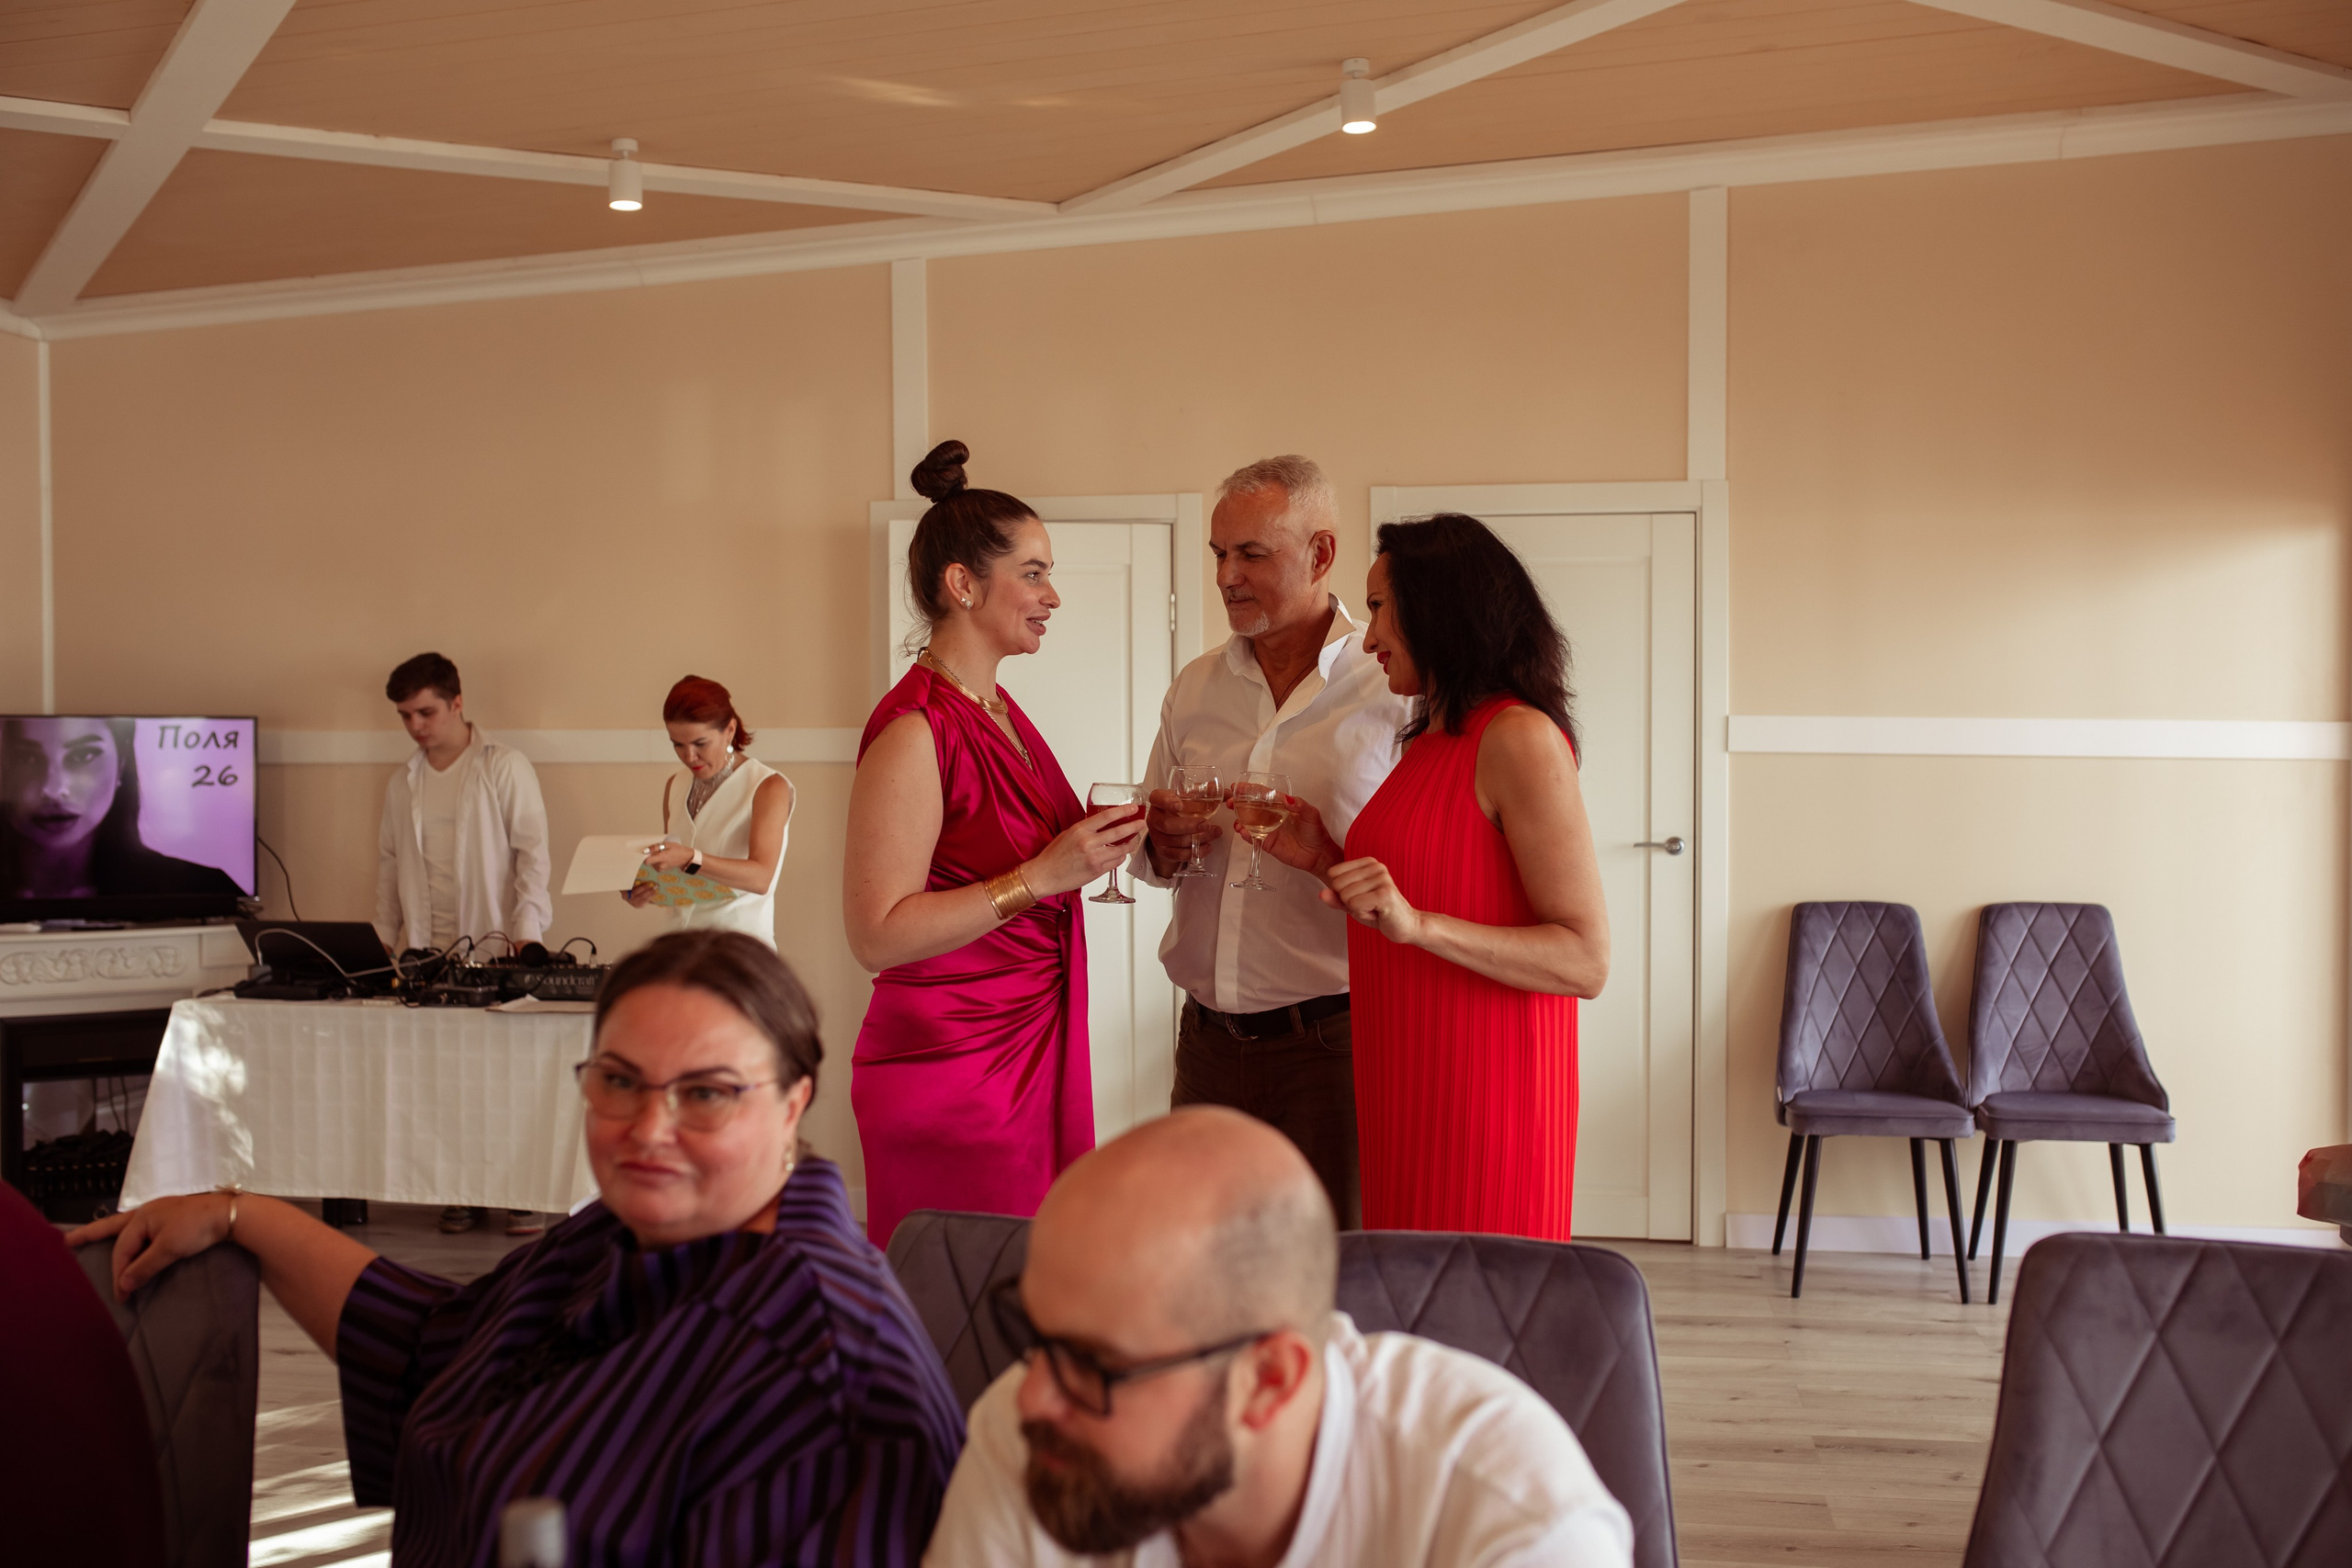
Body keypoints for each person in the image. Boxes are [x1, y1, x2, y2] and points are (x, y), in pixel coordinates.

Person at [70, 931, 967, 1567]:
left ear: (794, 1103)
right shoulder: (624, 1235)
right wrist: (241, 1213)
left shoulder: (819, 1367)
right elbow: (435, 1343)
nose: (648, 1129)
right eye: (618, 1081)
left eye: (707, 1093)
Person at [922, 1107, 1634, 1567]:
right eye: (1033, 1332)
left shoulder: (1512, 1520)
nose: (1032, 1396)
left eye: (1093, 1362)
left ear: (1268, 1378)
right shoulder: (1034, 1443)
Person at [1261, 515, 1609, 1241]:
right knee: (1412, 1304)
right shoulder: (1428, 738)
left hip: (1488, 1088)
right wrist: (1325, 856)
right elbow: (1420, 894)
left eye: (1381, 608)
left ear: (1442, 607)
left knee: (1474, 1310)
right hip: (1407, 1074)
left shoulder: (1519, 737)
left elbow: (1585, 958)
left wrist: (1419, 927)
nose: (1367, 635)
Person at [843, 439, 1146, 1247]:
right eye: (1036, 572)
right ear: (963, 583)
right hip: (954, 1069)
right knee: (968, 1302)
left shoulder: (1001, 716)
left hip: (1027, 1045)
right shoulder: (916, 728)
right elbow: (875, 934)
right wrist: (1042, 876)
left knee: (1028, 1288)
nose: (1054, 596)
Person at [1131, 457, 1410, 1228]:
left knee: (1335, 1268)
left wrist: (1330, 856)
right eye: (1218, 553)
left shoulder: (1392, 689)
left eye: (1251, 553)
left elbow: (1426, 874)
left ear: (1321, 555)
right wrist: (1160, 843)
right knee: (1198, 1260)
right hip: (1205, 1045)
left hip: (1334, 1048)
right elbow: (1151, 857)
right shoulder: (1194, 687)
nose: (1226, 575)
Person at [373, 651, 554, 1236]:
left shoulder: (504, 766)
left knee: (505, 1079)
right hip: (428, 951)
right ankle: (462, 1191)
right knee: (444, 1080)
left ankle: (521, 1193)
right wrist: (383, 940)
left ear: (457, 703)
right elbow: (389, 865)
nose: (416, 726)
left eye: (426, 711)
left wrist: (526, 934)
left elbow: (533, 856)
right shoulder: (404, 782)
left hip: (498, 944)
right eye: (405, 716)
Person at [626, 674, 795, 948]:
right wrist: (645, 888)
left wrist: (691, 857)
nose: (689, 756)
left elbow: (761, 877)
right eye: (677, 744)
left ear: (729, 729)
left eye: (700, 744)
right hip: (678, 946)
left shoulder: (767, 786)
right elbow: (678, 873)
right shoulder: (676, 785)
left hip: (739, 950)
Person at [1, 716, 244, 901]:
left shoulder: (204, 891)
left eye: (84, 755)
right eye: (27, 758)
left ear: (122, 763)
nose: (54, 788)